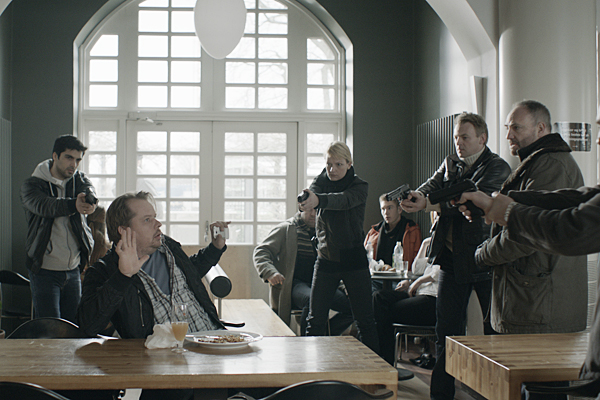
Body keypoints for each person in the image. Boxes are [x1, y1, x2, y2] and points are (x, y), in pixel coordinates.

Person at [400, 112, 511, 400]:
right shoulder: (450, 161)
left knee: (494, 333)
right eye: (456, 137)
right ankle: (441, 395)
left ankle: (497, 394)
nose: (459, 143)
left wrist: (429, 203)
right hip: (451, 258)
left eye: (465, 137)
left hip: (485, 258)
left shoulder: (497, 166)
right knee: (446, 334)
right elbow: (432, 185)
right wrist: (418, 196)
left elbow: (472, 201)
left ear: (482, 139)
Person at [472, 100, 587, 336]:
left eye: (516, 127)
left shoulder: (550, 165)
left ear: (541, 128)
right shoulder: (536, 163)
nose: (509, 135)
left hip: (540, 306)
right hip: (532, 302)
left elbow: (526, 234)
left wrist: (484, 253)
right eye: (507, 128)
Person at [299, 141, 379, 353]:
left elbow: (343, 201)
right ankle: (311, 369)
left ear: (349, 164)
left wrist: (317, 200)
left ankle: (375, 371)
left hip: (354, 261)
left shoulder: (360, 186)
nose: (332, 169)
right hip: (326, 259)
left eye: (338, 164)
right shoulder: (321, 181)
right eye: (329, 164)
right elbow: (312, 192)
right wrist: (307, 200)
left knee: (365, 321)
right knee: (315, 320)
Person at [20, 135, 96, 323]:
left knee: (73, 327)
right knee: (49, 329)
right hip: (44, 271)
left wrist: (91, 202)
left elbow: (89, 189)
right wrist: (74, 205)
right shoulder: (32, 185)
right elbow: (45, 206)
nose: (74, 164)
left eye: (78, 160)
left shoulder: (78, 179)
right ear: (55, 156)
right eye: (69, 157)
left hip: (73, 270)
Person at [253, 207, 353, 336]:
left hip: (322, 282)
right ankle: (307, 340)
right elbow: (261, 252)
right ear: (301, 209)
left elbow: (337, 264)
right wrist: (270, 272)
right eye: (309, 210)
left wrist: (345, 285)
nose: (313, 214)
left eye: (317, 211)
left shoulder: (326, 231)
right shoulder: (286, 229)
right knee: (313, 300)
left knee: (353, 305)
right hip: (294, 284)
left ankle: (325, 335)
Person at [373, 237, 439, 365]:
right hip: (418, 294)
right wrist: (425, 243)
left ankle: (385, 359)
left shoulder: (447, 248)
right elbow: (416, 269)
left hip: (431, 299)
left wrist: (417, 282)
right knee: (379, 297)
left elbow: (437, 274)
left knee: (385, 311)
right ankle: (381, 355)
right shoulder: (434, 249)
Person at [364, 194, 421, 292]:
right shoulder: (374, 232)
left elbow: (417, 260)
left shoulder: (412, 230)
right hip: (376, 279)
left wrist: (410, 280)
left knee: (380, 295)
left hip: (400, 280)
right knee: (367, 292)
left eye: (389, 208)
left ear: (399, 209)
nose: (386, 212)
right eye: (383, 209)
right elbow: (363, 258)